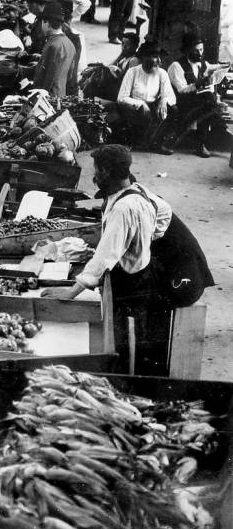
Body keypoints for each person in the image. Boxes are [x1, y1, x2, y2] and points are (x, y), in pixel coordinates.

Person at [39, 146, 176, 376]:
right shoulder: (138, 191)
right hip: (143, 270)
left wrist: (70, 293)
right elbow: (165, 211)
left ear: (107, 172)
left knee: (123, 337)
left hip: (131, 281)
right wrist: (147, 237)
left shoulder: (123, 208)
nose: (95, 176)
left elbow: (104, 257)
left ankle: (124, 377)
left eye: (97, 170)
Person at [161, 32, 225, 157]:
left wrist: (224, 67)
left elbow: (212, 69)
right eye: (196, 51)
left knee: (208, 101)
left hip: (199, 102)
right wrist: (198, 84)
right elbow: (181, 90)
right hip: (181, 102)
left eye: (201, 49)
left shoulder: (202, 64)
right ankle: (201, 144)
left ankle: (175, 139)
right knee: (209, 102)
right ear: (187, 50)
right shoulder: (176, 66)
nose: (200, 53)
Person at [116, 41, 175, 151]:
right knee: (127, 110)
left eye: (159, 57)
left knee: (171, 108)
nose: (159, 61)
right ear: (144, 57)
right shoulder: (132, 72)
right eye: (155, 57)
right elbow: (121, 98)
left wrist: (164, 99)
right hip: (136, 107)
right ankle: (130, 141)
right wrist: (141, 104)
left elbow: (171, 96)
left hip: (153, 106)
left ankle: (157, 144)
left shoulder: (162, 73)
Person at [25, 3, 77, 97]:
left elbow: (49, 78)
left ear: (47, 23)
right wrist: (40, 62)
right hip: (61, 94)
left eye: (42, 22)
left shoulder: (52, 45)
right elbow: (69, 75)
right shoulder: (70, 44)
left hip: (48, 98)